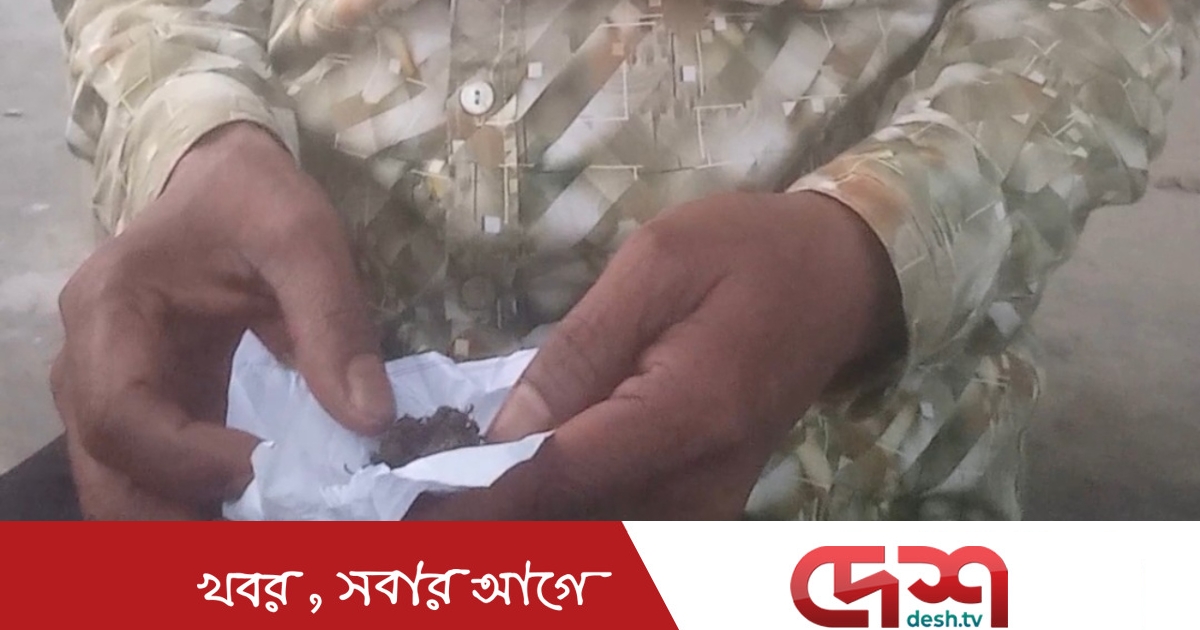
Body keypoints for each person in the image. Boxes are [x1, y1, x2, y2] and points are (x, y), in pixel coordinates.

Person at [26, 0, 1197, 520]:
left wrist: (871, 237)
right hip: (268, 465)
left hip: (806, 491)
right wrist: (191, 134)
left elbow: (1099, 23)